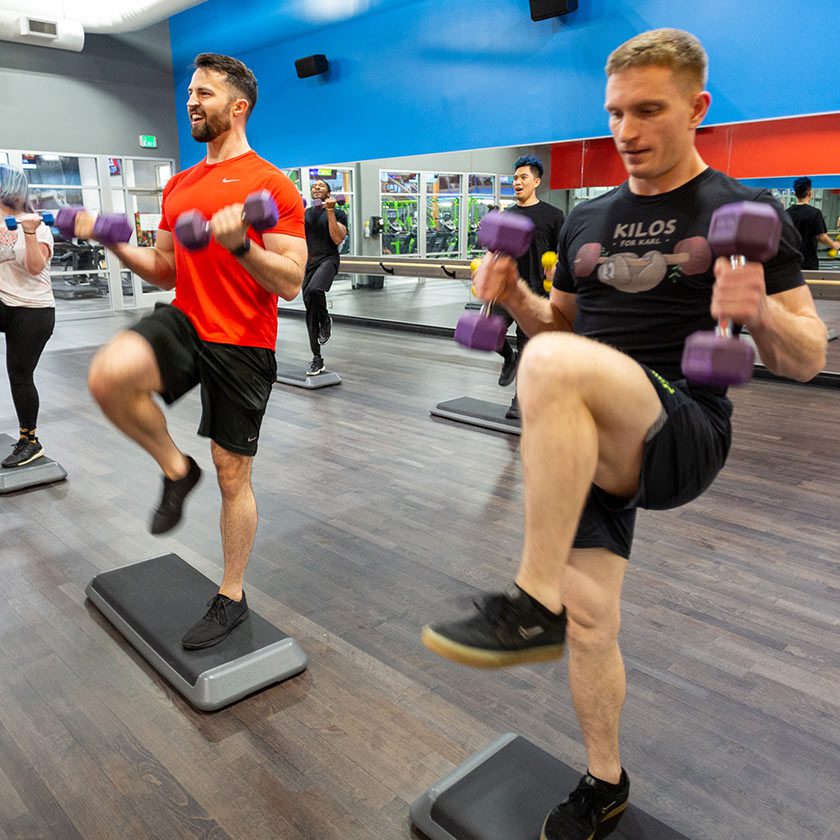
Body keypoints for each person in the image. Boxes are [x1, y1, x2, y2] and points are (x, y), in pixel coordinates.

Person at [422, 29, 826, 840]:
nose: (628, 131)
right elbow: (553, 331)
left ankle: (530, 603)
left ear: (696, 108)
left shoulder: (743, 212)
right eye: (615, 113)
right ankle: (604, 781)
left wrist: (762, 318)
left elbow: (808, 356)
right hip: (592, 434)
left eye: (649, 110)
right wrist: (511, 300)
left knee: (557, 371)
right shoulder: (588, 219)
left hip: (682, 425)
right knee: (595, 617)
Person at [86, 53, 306, 649]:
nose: (191, 101)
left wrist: (241, 249)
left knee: (234, 473)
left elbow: (289, 281)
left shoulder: (272, 185)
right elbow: (163, 269)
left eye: (204, 93)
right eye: (189, 91)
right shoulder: (180, 185)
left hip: (243, 340)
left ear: (238, 106)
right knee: (109, 376)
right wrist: (116, 244)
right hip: (186, 320)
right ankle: (175, 468)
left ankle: (231, 596)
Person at [493, 156, 565, 419]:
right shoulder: (507, 215)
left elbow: (564, 251)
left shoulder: (553, 216)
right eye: (514, 178)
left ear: (536, 181)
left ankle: (519, 400)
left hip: (535, 292)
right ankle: (507, 358)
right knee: (490, 332)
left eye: (523, 177)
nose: (517, 182)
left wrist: (557, 268)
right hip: (507, 290)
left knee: (527, 347)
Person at [0, 165, 55, 468]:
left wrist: (30, 232)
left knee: (19, 375)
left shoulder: (37, 224)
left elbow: (35, 268)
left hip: (33, 309)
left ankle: (29, 441)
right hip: (3, 301)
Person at [303, 179, 347, 375]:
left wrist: (329, 210)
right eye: (314, 186)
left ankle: (326, 320)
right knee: (310, 312)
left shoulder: (338, 212)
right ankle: (317, 358)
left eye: (321, 185)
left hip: (329, 260)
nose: (316, 188)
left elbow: (337, 238)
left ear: (329, 191)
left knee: (314, 290)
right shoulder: (307, 214)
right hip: (310, 264)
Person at [786, 177, 840, 269]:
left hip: (790, 263)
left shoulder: (786, 213)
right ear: (810, 193)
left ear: (795, 194)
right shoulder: (815, 213)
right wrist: (834, 244)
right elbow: (821, 236)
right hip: (808, 263)